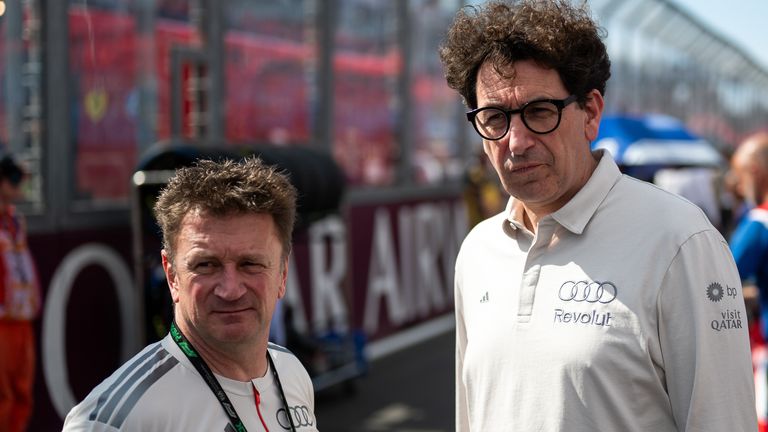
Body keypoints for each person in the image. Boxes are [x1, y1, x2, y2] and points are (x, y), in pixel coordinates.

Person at [439, 1, 757, 431]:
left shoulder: (680, 241)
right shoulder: (478, 250)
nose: (515, 141)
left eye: (538, 112)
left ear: (590, 113)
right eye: (494, 118)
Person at [63, 157, 319, 431]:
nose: (230, 290)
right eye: (206, 265)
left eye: (250, 264)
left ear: (282, 273)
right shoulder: (114, 419)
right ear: (172, 276)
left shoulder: (292, 373)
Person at [0, 155, 40, 432]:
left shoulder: (15, 221)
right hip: (1, 321)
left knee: (22, 392)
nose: (19, 186)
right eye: (13, 180)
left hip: (22, 317)